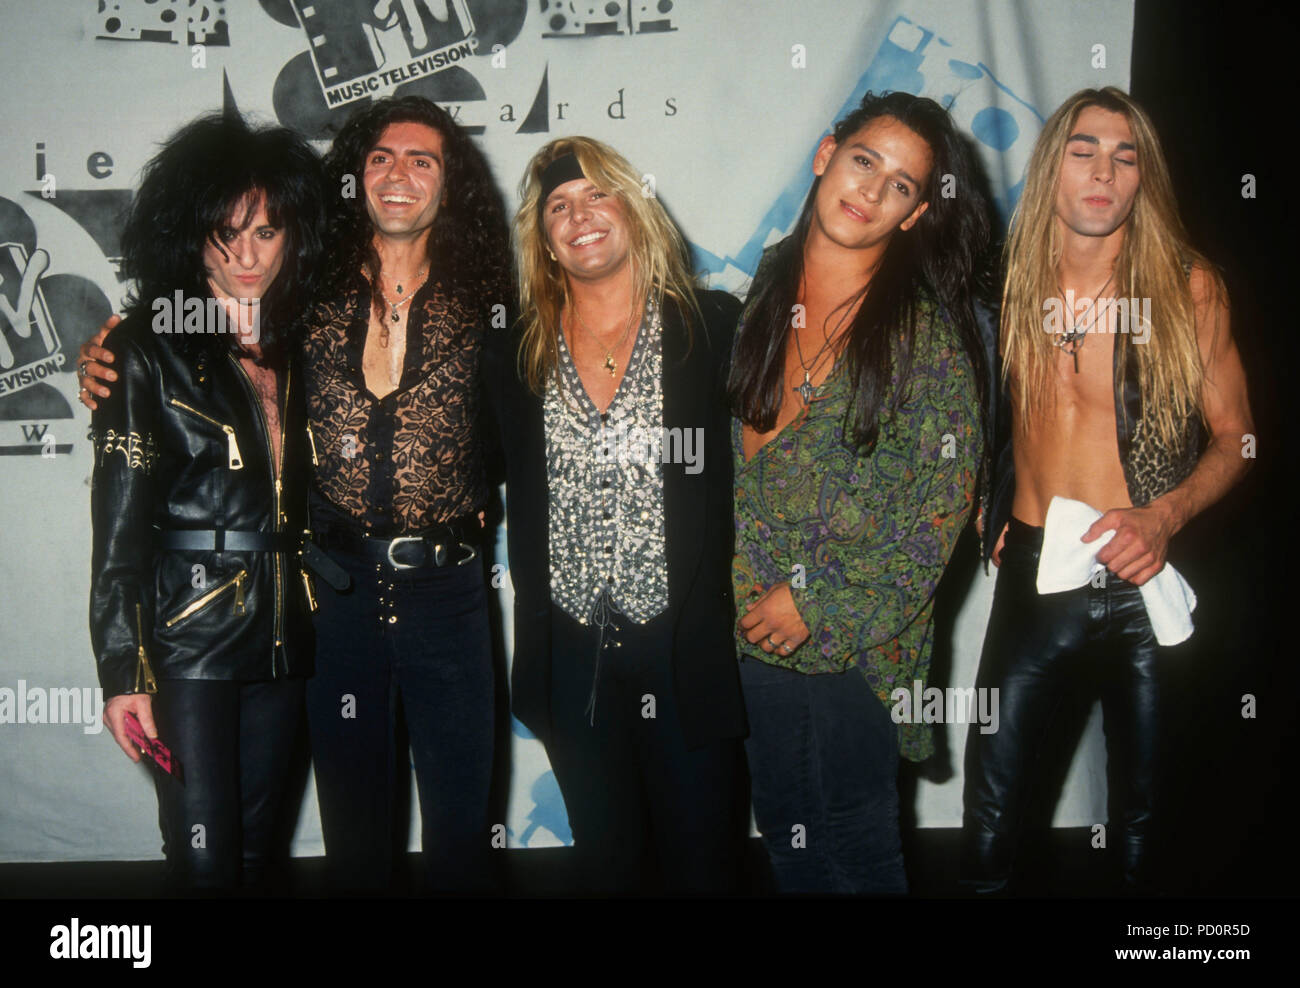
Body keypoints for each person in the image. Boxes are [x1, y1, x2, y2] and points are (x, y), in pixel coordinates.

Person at [80, 96, 512, 895]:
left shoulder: (485, 313)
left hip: (439, 598)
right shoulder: (308, 308)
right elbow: (183, 353)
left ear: (455, 186)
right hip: (327, 603)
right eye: (380, 156)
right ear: (353, 177)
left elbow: (518, 436)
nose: (399, 174)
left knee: (458, 837)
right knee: (339, 841)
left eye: (424, 159)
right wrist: (106, 353)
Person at [963, 87, 1254, 894]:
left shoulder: (1188, 287)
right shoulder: (1005, 281)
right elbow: (991, 411)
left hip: (1142, 575)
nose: (1103, 171)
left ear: (1143, 178)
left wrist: (1164, 517)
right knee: (987, 828)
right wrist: (998, 495)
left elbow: (1240, 439)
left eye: (1125, 157)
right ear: (1051, 165)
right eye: (1084, 150)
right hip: (1035, 573)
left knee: (1144, 835)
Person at [727, 91, 988, 894]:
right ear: (825, 155)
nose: (870, 191)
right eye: (863, 161)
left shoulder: (927, 339)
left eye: (901, 185)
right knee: (786, 830)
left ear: (914, 215)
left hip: (863, 643)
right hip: (747, 629)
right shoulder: (762, 296)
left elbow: (934, 524)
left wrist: (813, 604)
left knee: (857, 838)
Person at [482, 137, 749, 894]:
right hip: (569, 658)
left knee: (706, 868)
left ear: (635, 207)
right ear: (542, 235)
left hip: (685, 650)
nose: (579, 215)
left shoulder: (713, 327)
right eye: (558, 206)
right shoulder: (509, 349)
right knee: (608, 867)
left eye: (598, 194)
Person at [87, 112, 325, 892]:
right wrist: (123, 669)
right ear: (192, 236)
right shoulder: (145, 346)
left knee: (257, 859)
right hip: (187, 646)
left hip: (287, 635)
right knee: (202, 859)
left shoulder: (306, 346)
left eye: (266, 231)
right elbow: (118, 527)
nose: (248, 255)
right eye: (227, 234)